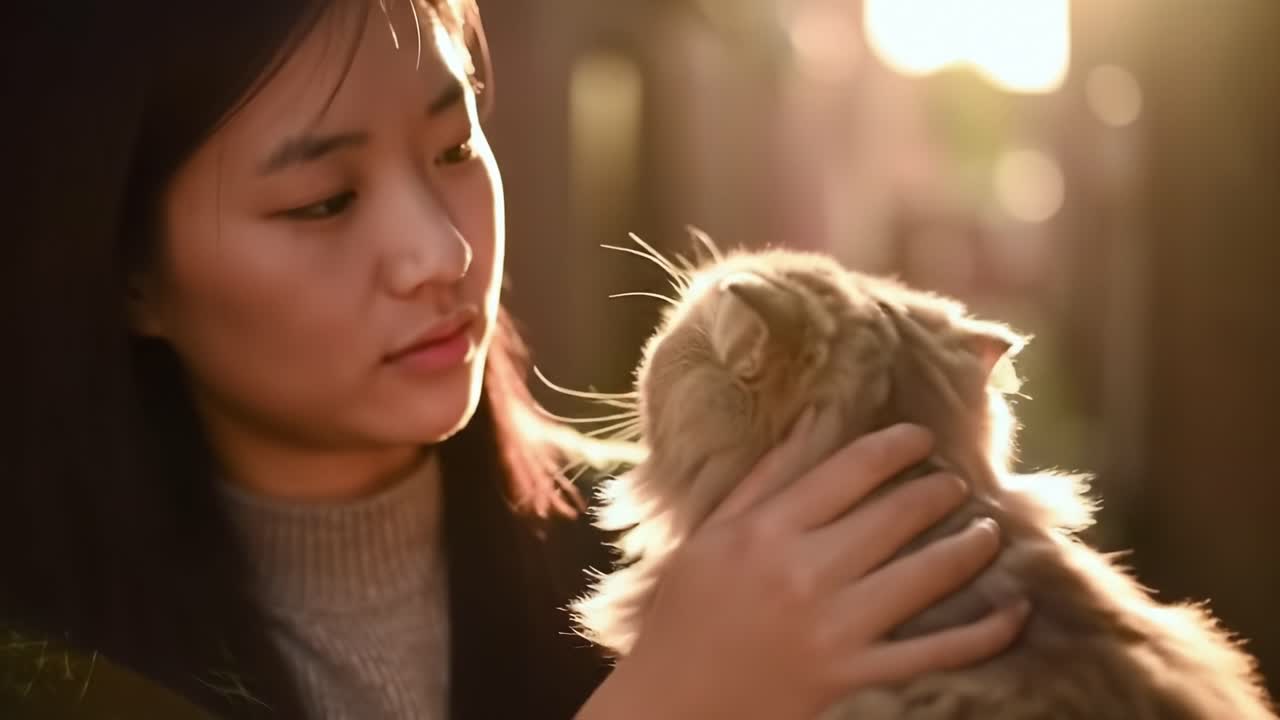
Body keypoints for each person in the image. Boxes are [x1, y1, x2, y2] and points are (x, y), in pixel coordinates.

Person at [0, 2, 1029, 718]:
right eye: (324, 202)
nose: (441, 253)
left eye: (455, 149)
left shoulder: (726, 577)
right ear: (128, 272)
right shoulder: (47, 667)